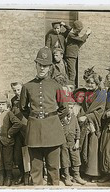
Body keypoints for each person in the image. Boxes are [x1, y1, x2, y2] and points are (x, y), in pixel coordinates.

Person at [19, 47, 69, 185]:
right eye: (40, 65)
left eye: (45, 65)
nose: (42, 68)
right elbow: (22, 109)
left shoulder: (56, 86)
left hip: (53, 132)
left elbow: (64, 108)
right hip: (34, 132)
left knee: (53, 169)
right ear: (36, 65)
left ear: (49, 67)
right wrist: (35, 119)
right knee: (36, 170)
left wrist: (51, 119)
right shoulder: (27, 86)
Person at [0, 94, 24, 186]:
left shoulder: (8, 113)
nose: (1, 106)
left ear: (6, 105)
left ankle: (9, 177)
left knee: (7, 159)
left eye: (3, 104)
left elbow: (18, 124)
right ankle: (1, 176)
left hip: (7, 140)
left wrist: (10, 133)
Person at [78, 66, 105, 182]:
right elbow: (83, 108)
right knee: (85, 147)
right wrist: (81, 116)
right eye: (88, 83)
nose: (90, 85)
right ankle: (85, 171)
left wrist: (88, 117)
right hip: (85, 124)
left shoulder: (101, 94)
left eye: (92, 83)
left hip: (95, 125)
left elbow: (100, 111)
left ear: (97, 84)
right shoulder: (86, 94)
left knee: (93, 148)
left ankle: (94, 173)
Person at [60, 98, 87, 186]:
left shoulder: (74, 118)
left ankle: (76, 176)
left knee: (76, 158)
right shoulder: (60, 118)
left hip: (73, 142)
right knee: (65, 159)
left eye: (72, 108)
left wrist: (77, 141)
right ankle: (67, 177)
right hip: (63, 142)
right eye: (68, 107)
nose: (70, 110)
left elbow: (77, 129)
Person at [10, 82, 30, 185]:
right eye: (14, 90)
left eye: (19, 89)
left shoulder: (29, 98)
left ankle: (29, 175)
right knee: (18, 154)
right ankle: (21, 174)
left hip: (27, 129)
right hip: (18, 130)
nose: (17, 92)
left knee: (28, 153)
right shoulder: (13, 100)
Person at [65, 20, 92, 88]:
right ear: (74, 28)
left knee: (73, 72)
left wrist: (87, 35)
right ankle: (70, 87)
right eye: (78, 30)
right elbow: (81, 40)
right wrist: (86, 33)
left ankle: (71, 86)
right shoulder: (71, 35)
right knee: (72, 73)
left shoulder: (73, 34)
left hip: (73, 55)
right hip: (70, 55)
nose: (79, 32)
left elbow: (80, 41)